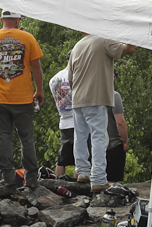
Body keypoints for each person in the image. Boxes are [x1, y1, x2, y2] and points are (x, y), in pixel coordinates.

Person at [0, 9, 44, 188]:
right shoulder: (28, 38)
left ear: (1, 19)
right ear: (18, 20)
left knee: (3, 137)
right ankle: (31, 177)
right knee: (26, 138)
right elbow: (36, 67)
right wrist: (39, 90)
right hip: (23, 97)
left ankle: (8, 177)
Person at [68, 35, 134, 192]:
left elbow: (70, 79)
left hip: (78, 98)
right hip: (96, 97)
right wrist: (132, 32)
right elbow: (129, 50)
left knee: (80, 136)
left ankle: (82, 172)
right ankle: (98, 178)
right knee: (99, 137)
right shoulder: (103, 40)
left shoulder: (77, 45)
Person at [49, 65, 75, 176]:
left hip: (64, 120)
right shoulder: (77, 74)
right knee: (82, 158)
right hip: (78, 120)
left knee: (62, 159)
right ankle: (80, 185)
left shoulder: (54, 79)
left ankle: (59, 183)